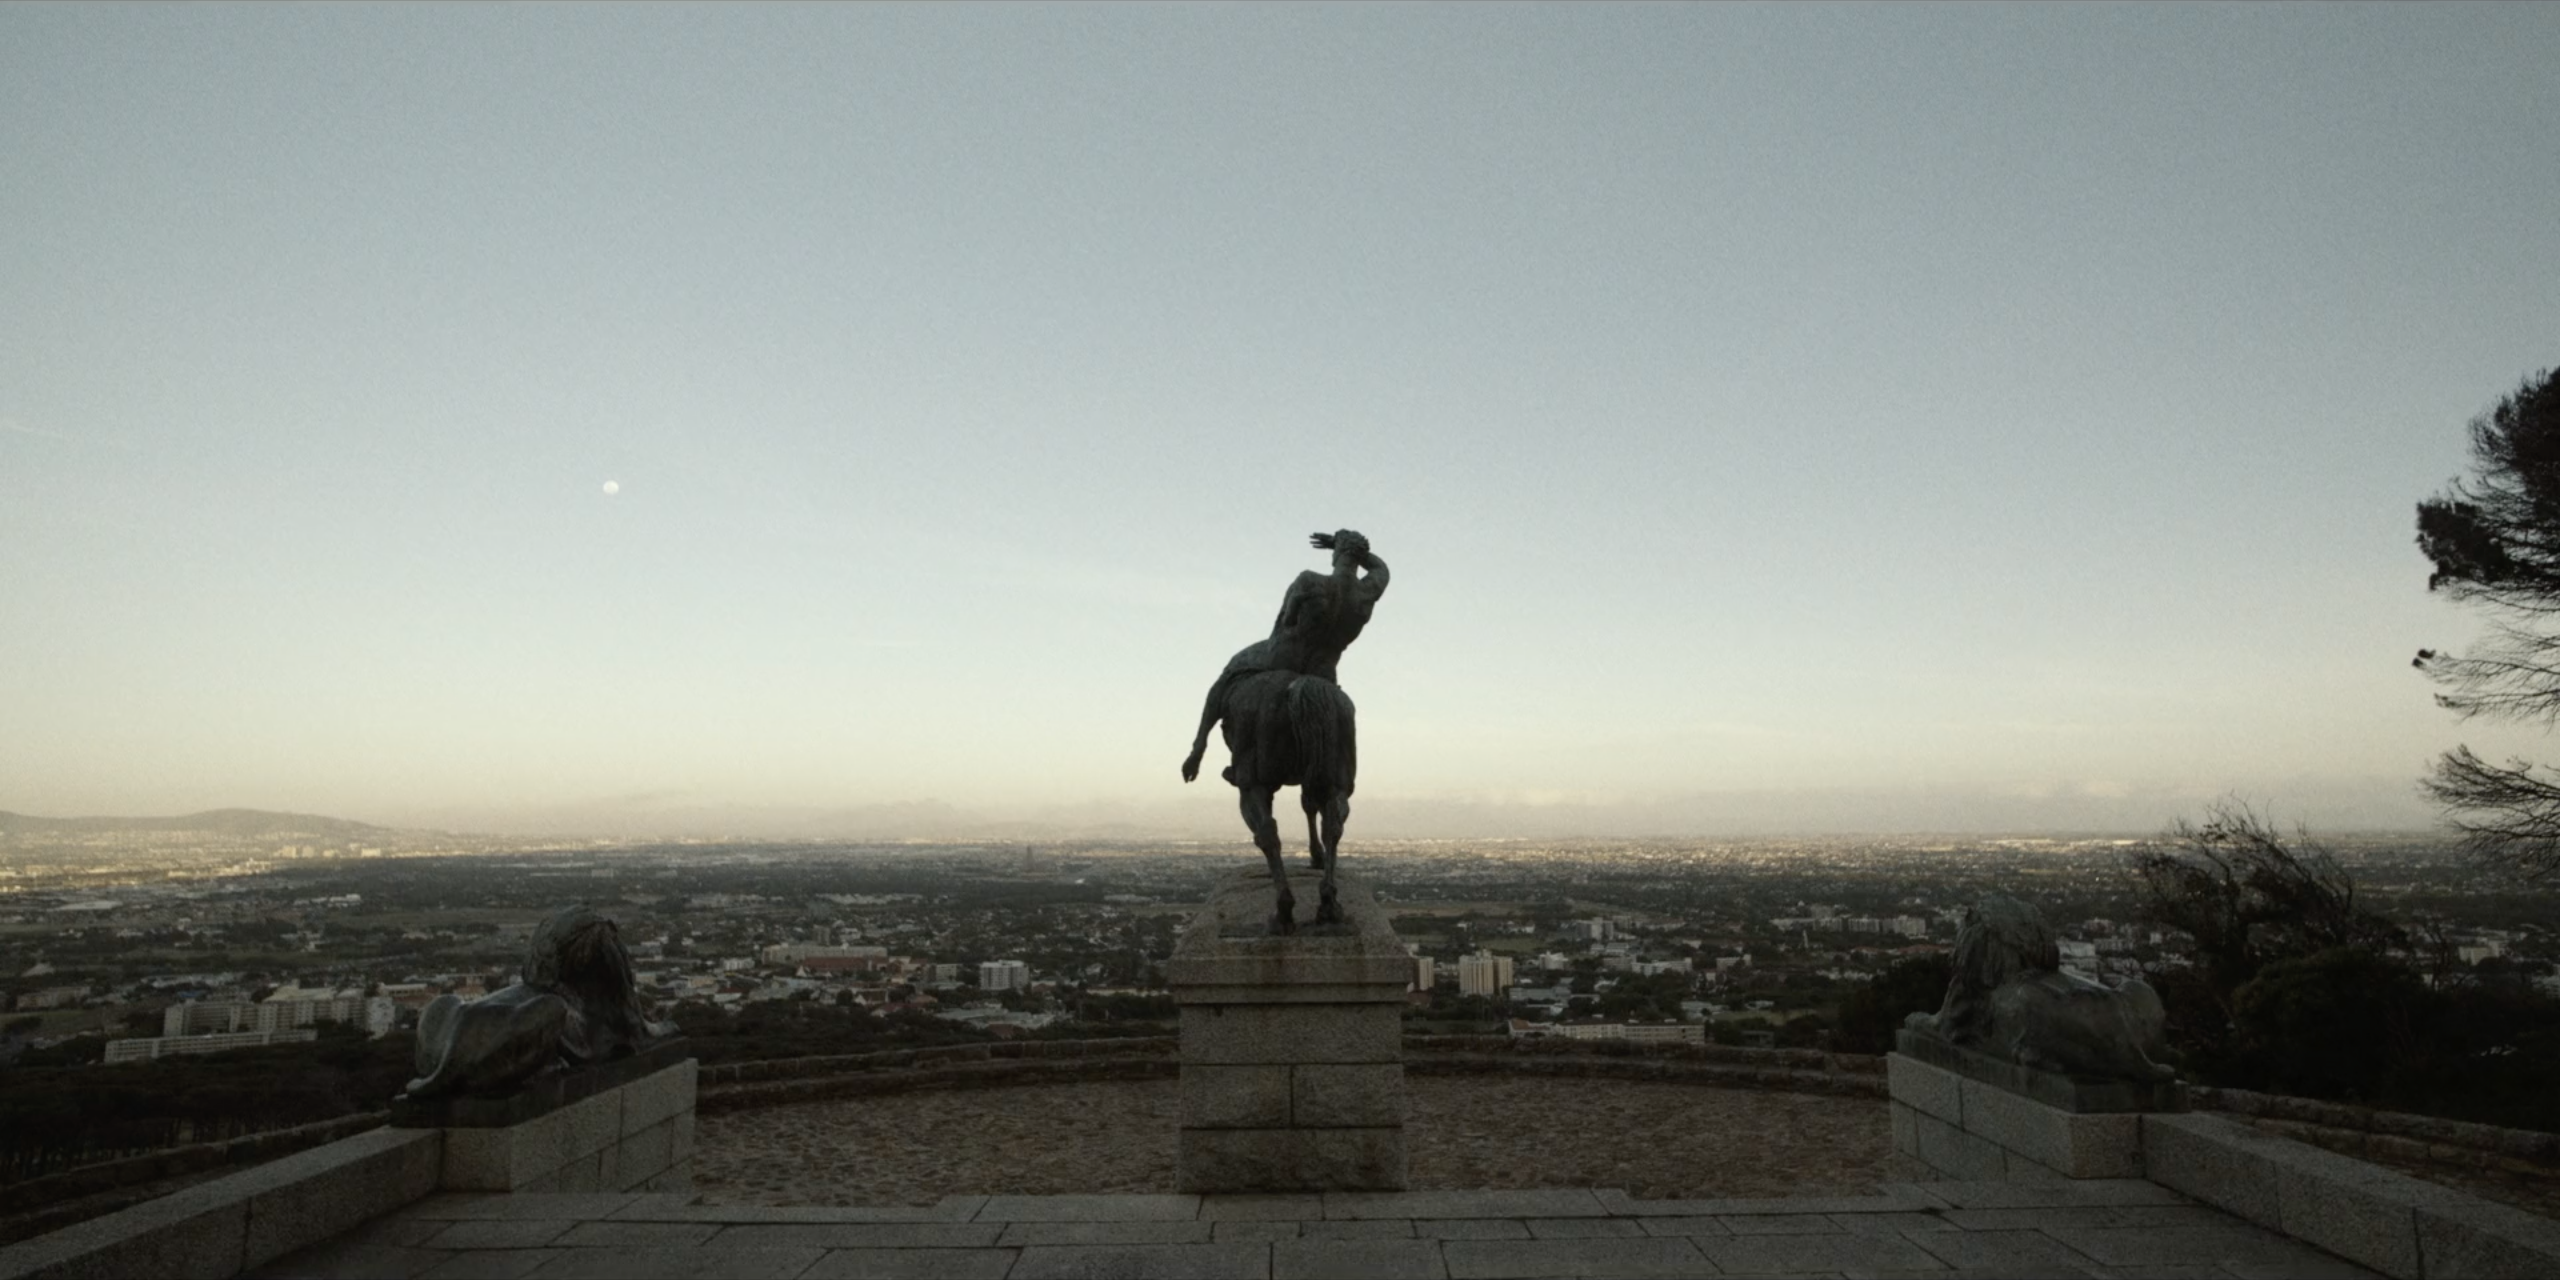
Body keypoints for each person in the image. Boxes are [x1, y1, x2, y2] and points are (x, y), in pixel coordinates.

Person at [1181, 530, 1389, 783]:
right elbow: (1380, 568)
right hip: (1324, 669)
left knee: (1229, 674)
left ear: (1337, 554)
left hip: (1282, 657)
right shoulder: (1366, 592)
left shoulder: (1309, 580)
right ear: (1359, 556)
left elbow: (1284, 623)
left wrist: (1338, 545)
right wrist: (1353, 549)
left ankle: (1199, 748)